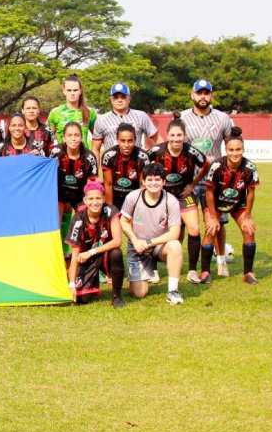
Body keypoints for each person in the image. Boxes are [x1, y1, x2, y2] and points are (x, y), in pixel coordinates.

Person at [180, 79, 235, 277]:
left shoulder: (222, 118)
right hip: (189, 181)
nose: (203, 96)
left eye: (206, 93)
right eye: (199, 93)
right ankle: (181, 262)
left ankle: (220, 261)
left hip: (215, 180)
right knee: (184, 224)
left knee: (217, 222)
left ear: (211, 96)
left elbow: (232, 145)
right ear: (192, 95)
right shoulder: (183, 118)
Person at [149, 114, 210, 284]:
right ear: (167, 135)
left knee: (194, 229)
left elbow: (206, 164)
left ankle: (191, 270)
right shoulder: (157, 151)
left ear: (184, 136)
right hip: (162, 196)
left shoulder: (190, 152)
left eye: (179, 135)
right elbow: (142, 165)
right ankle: (152, 270)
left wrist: (193, 183)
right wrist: (148, 186)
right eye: (173, 135)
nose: (176, 139)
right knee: (155, 230)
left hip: (184, 195)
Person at [120, 163, 185, 305]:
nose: (153, 183)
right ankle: (144, 273)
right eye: (149, 179)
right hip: (137, 247)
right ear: (143, 181)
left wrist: (150, 243)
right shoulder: (133, 197)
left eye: (157, 179)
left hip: (157, 246)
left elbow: (174, 233)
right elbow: (124, 221)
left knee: (175, 245)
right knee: (139, 293)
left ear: (164, 182)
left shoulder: (171, 201)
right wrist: (135, 240)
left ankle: (173, 290)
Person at [204, 127, 260, 285]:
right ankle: (205, 272)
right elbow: (208, 192)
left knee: (248, 230)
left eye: (238, 150)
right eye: (231, 150)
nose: (235, 153)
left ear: (243, 149)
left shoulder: (250, 168)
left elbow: (251, 193)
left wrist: (247, 217)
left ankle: (248, 273)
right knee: (211, 229)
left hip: (237, 204)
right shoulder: (216, 166)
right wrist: (214, 217)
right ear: (225, 150)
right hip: (216, 203)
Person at [65, 182, 125, 308]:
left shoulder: (111, 211)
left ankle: (116, 296)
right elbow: (76, 253)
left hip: (104, 256)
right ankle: (89, 280)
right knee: (83, 299)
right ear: (85, 201)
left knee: (117, 253)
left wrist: (91, 252)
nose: (95, 202)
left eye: (98, 198)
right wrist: (72, 285)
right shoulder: (77, 219)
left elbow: (117, 241)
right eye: (91, 199)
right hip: (85, 260)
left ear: (103, 199)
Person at [50, 122, 98, 260]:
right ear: (63, 138)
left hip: (80, 195)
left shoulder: (89, 157)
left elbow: (92, 185)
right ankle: (56, 259)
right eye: (69, 135)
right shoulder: (56, 152)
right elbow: (48, 177)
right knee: (55, 227)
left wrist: (90, 204)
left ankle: (87, 259)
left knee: (86, 226)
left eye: (76, 135)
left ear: (81, 137)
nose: (73, 138)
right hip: (59, 194)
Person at [91, 82, 163, 175]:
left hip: (137, 166)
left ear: (129, 99)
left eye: (123, 97)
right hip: (112, 168)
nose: (119, 100)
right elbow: (96, 148)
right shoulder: (101, 120)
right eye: (116, 97)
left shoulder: (141, 116)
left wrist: (162, 162)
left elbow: (158, 140)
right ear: (111, 99)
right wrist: (94, 173)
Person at [101, 122, 149, 209]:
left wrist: (139, 207)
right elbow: (108, 185)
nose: (126, 145)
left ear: (135, 140)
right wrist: (110, 209)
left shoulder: (143, 157)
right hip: (115, 198)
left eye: (130, 141)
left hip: (134, 199)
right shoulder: (109, 156)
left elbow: (142, 185)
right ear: (117, 140)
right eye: (122, 141)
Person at [47, 74, 96, 148]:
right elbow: (48, 140)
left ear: (80, 91)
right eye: (69, 90)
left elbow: (97, 138)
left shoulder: (90, 112)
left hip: (83, 157)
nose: (72, 93)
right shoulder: (55, 113)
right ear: (64, 91)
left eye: (75, 90)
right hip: (62, 157)